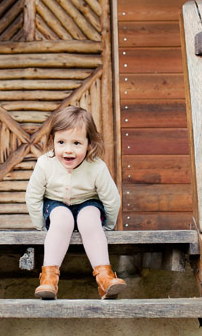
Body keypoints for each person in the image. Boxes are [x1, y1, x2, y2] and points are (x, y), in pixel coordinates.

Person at [25, 106, 126, 300]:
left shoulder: (97, 167)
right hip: (56, 204)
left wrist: (108, 226)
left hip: (87, 203)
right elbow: (33, 195)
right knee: (62, 219)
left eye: (77, 143)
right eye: (61, 142)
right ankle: (49, 279)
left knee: (89, 217)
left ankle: (105, 278)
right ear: (52, 141)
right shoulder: (45, 163)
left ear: (89, 144)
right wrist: (40, 225)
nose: (68, 150)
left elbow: (111, 199)